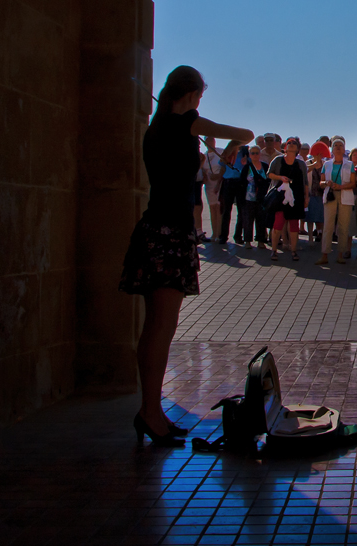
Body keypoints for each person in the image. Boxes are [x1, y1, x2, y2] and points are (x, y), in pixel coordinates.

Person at [120, 65, 253, 444]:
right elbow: (245, 134)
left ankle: (151, 408)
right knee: (163, 326)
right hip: (171, 232)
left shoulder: (155, 128)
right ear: (193, 95)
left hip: (151, 229)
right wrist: (229, 145)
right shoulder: (189, 122)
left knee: (154, 326)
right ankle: (150, 411)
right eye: (200, 96)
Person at [316, 137, 355, 264]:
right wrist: (326, 182)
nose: (338, 147)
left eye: (340, 145)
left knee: (343, 226)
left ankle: (340, 254)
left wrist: (341, 186)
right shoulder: (326, 164)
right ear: (332, 149)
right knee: (328, 225)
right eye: (335, 145)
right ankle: (324, 254)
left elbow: (353, 183)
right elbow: (320, 183)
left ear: (344, 149)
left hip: (345, 196)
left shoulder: (349, 164)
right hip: (330, 196)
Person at [268, 138, 307, 261]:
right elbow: (269, 174)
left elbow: (305, 182)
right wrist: (280, 177)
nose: (291, 144)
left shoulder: (301, 164)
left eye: (294, 143)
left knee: (294, 225)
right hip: (281, 196)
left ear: (297, 149)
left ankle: (294, 251)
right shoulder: (278, 160)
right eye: (289, 143)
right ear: (285, 147)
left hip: (297, 197)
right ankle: (274, 251)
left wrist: (307, 197)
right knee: (278, 223)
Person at [239, 146, 270, 248]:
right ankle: (247, 241)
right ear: (249, 155)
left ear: (260, 154)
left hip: (262, 197)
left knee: (261, 219)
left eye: (257, 153)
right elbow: (242, 183)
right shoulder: (247, 167)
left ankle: (261, 241)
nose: (255, 155)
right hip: (248, 197)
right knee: (248, 220)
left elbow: (269, 181)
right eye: (252, 153)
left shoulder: (265, 166)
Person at [216, 142, 246, 244]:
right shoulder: (228, 152)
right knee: (226, 210)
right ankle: (223, 236)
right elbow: (222, 168)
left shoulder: (245, 152)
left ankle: (238, 235)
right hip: (228, 182)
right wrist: (218, 184)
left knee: (241, 210)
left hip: (241, 183)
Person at [200, 137, 224, 242]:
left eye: (212, 139)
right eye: (208, 140)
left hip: (220, 183)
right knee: (212, 208)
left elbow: (225, 166)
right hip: (209, 185)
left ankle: (220, 233)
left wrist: (219, 176)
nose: (210, 141)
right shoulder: (204, 156)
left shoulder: (221, 152)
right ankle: (214, 233)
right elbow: (203, 170)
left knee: (219, 209)